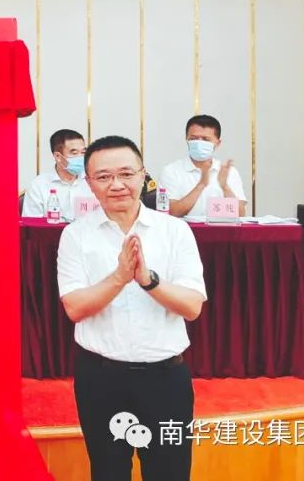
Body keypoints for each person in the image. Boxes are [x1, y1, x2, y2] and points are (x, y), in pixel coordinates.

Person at [57, 135, 206, 481]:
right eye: (104, 176)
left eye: (126, 173)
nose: (117, 184)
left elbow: (192, 307)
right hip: (101, 379)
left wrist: (148, 281)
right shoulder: (76, 235)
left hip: (165, 379)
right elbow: (74, 308)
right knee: (108, 472)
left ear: (143, 175)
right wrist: (119, 278)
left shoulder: (175, 231)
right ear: (89, 182)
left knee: (170, 474)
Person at [158, 114, 247, 219]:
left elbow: (241, 214)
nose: (199, 143)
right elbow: (171, 213)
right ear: (187, 140)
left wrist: (225, 187)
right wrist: (201, 184)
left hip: (220, 229)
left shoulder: (229, 172)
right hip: (182, 229)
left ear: (218, 143)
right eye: (193, 138)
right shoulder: (171, 171)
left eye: (205, 139)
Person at [22, 129, 94, 218]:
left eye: (83, 152)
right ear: (58, 156)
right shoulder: (39, 185)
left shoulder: (94, 181)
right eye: (74, 153)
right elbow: (31, 223)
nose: (81, 157)